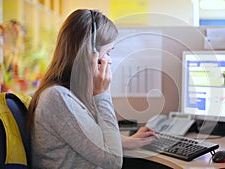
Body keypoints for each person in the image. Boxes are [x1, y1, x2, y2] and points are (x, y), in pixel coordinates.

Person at [27, 9, 157, 169]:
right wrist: (102, 94)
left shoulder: (70, 94)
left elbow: (90, 139)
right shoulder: (58, 98)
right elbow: (113, 162)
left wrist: (125, 142)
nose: (109, 61)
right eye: (108, 53)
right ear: (90, 55)